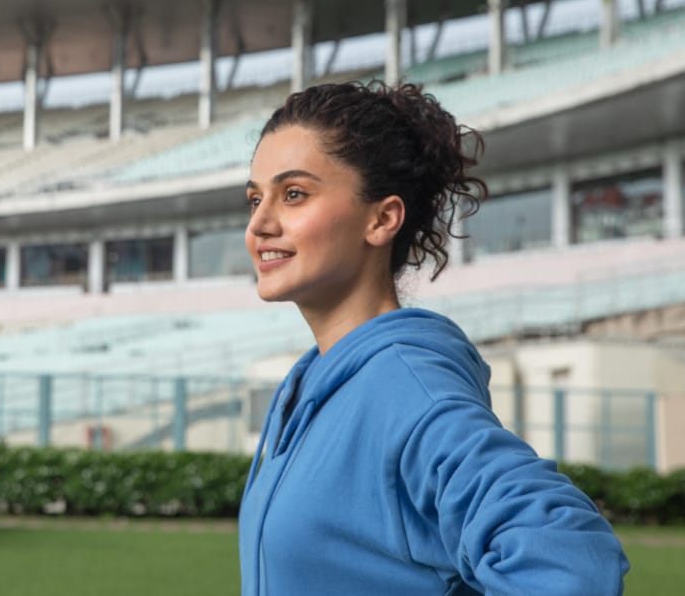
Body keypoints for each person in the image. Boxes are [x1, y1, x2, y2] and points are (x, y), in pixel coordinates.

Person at [237, 80, 628, 595]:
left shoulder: (406, 388)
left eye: (293, 194)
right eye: (254, 198)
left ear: (382, 218)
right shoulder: (318, 385)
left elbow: (573, 561)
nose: (260, 223)